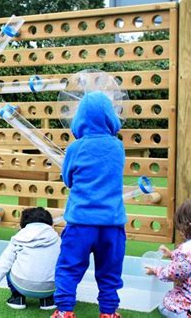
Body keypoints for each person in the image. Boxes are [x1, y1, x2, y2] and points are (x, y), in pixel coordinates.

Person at [51, 92, 126, 318]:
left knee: (69, 267)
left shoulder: (75, 148)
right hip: (112, 224)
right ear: (109, 116)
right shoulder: (117, 147)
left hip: (81, 222)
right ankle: (109, 312)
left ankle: (64, 310)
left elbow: (68, 180)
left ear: (80, 117)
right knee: (110, 272)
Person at [0, 207, 61, 311]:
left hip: (23, 286)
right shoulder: (57, 239)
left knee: (8, 262)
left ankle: (17, 298)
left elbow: (2, 265)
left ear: (22, 224)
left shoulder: (18, 239)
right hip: (51, 287)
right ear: (50, 223)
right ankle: (48, 301)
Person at [145, 198, 191, 318]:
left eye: (181, 227)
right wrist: (172, 254)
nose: (180, 231)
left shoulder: (188, 250)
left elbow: (173, 273)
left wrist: (156, 270)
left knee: (166, 302)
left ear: (190, 224)